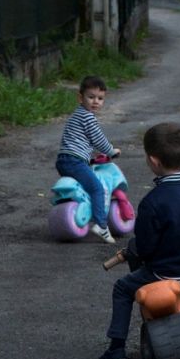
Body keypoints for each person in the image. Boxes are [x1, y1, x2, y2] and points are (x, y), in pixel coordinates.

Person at [97, 122, 180, 359]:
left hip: (165, 273)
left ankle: (116, 348)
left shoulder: (153, 201)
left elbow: (145, 247)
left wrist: (133, 249)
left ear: (154, 161)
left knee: (123, 289)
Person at [55, 75, 120, 244]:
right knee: (97, 188)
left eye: (100, 98)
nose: (95, 102)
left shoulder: (75, 115)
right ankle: (101, 225)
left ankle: (81, 209)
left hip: (64, 160)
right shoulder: (88, 117)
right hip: (74, 161)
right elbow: (98, 139)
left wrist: (89, 159)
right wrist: (111, 151)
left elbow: (78, 141)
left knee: (86, 186)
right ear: (80, 97)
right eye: (91, 97)